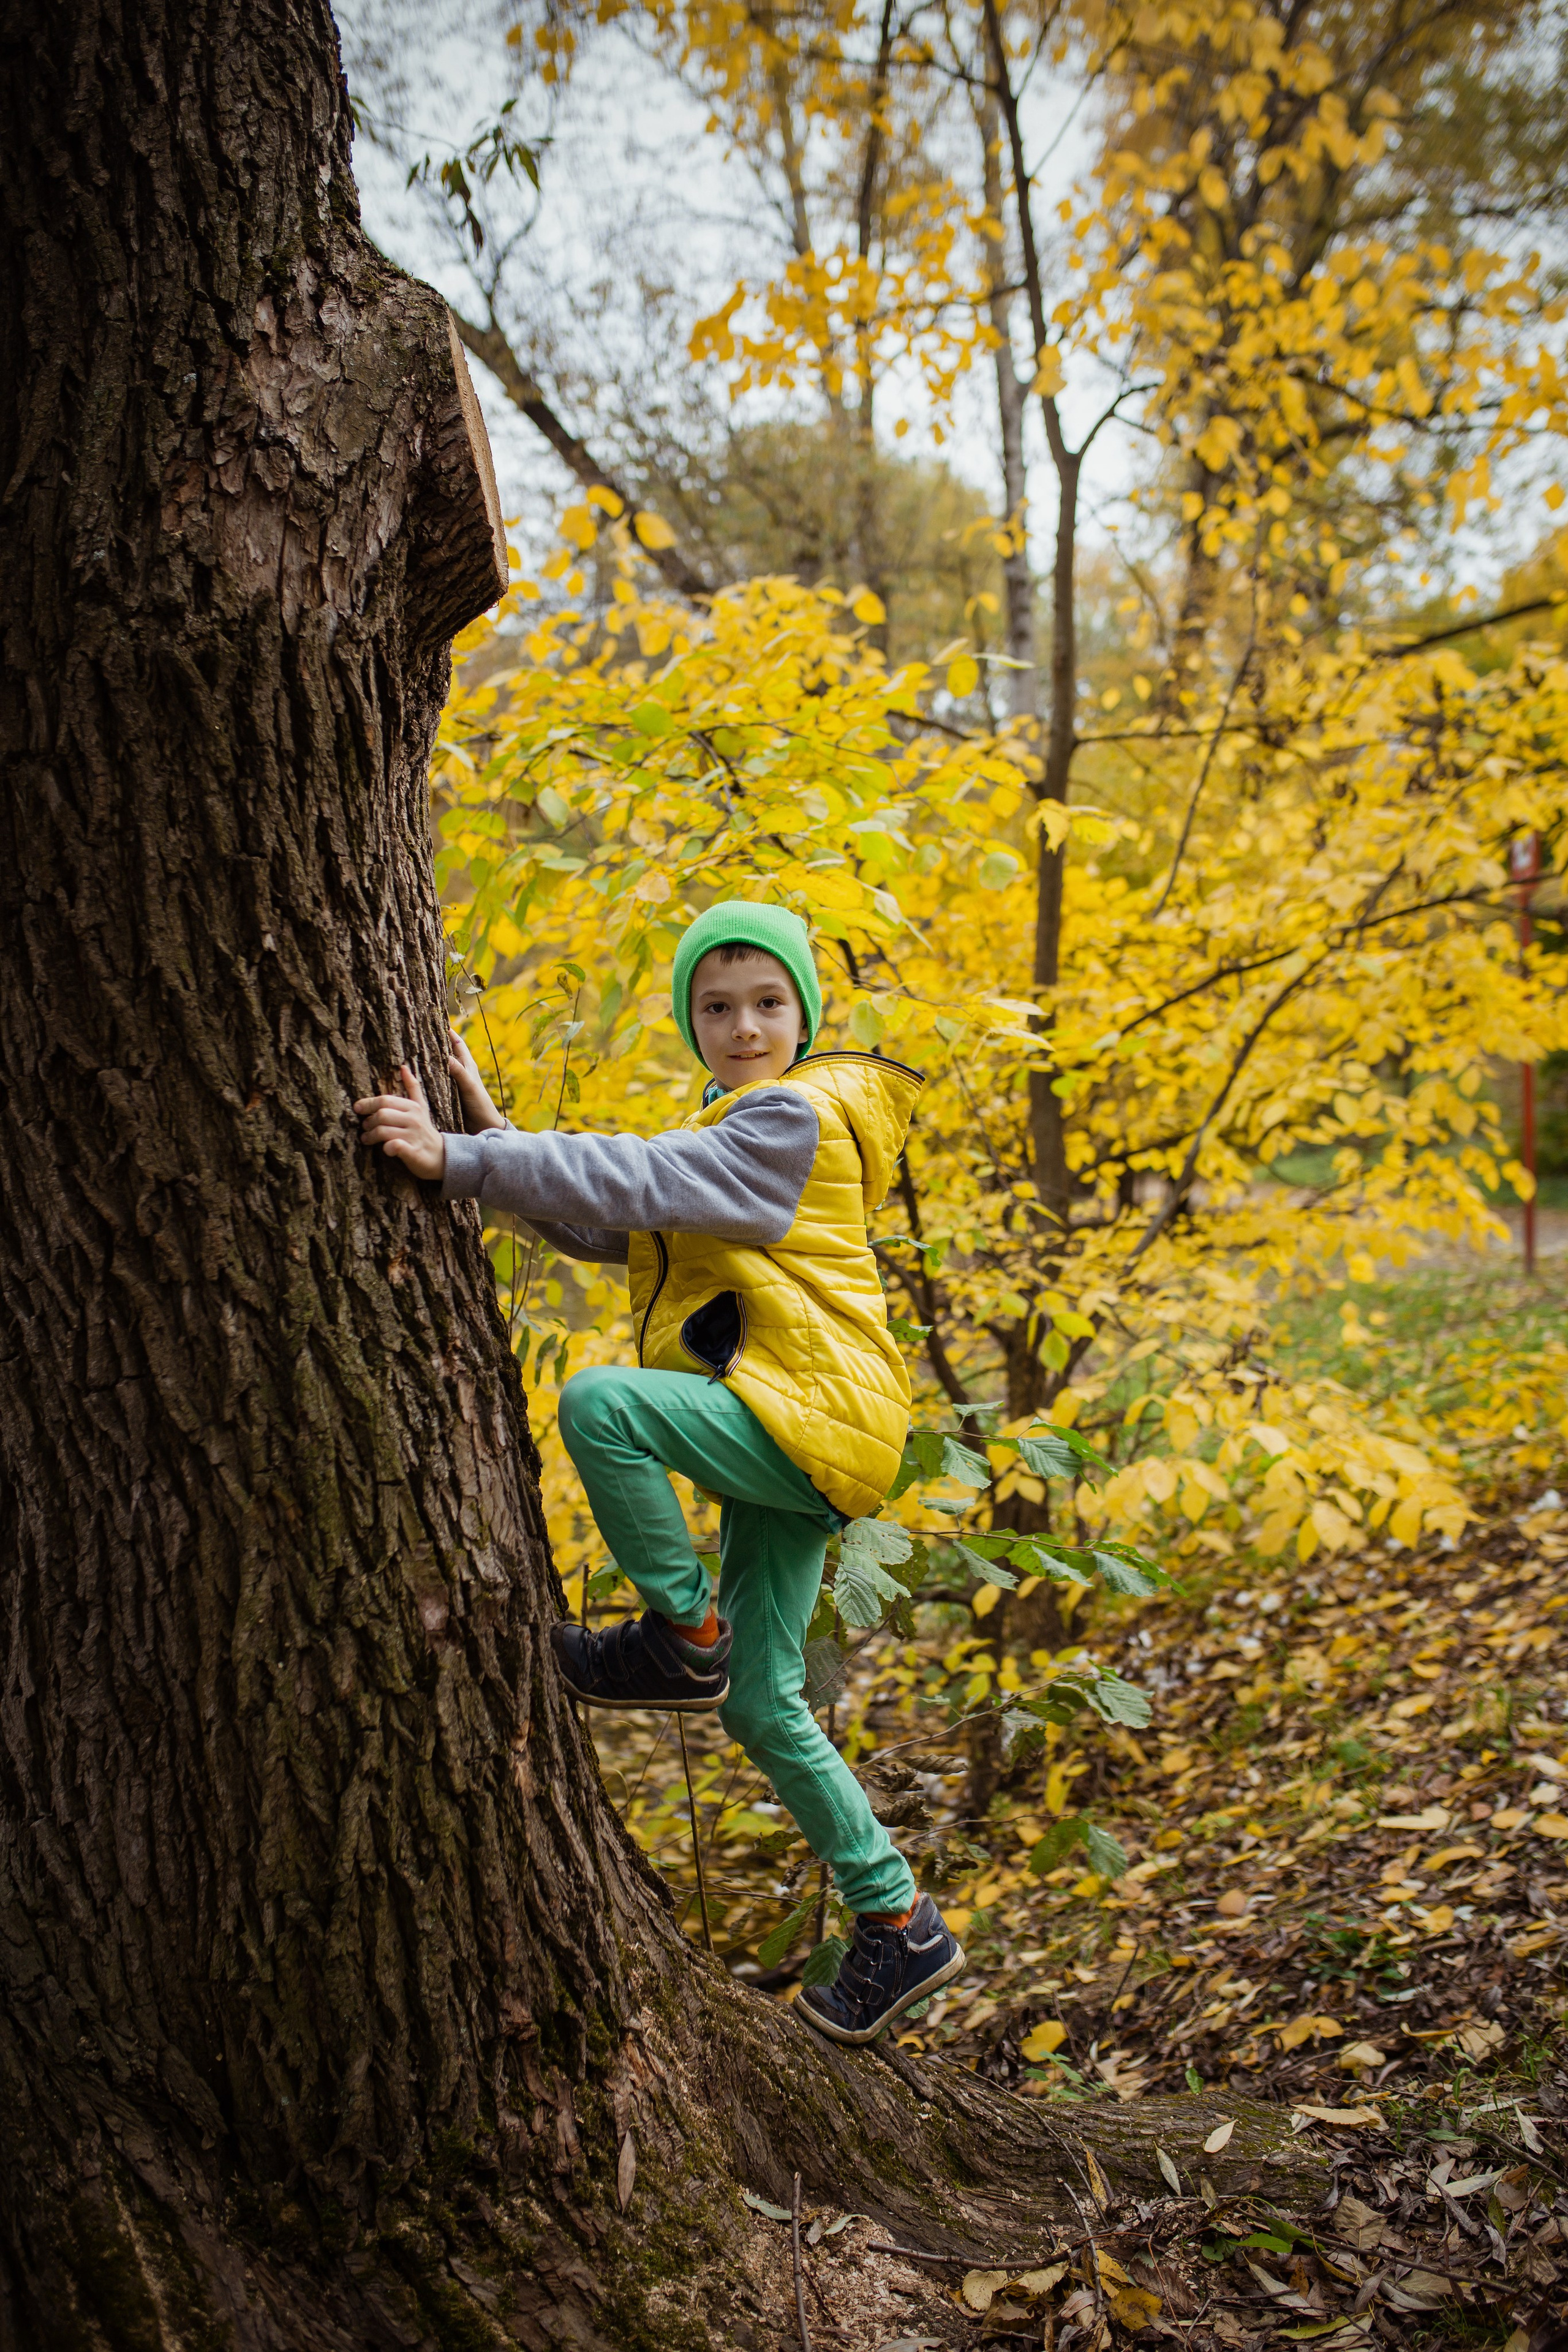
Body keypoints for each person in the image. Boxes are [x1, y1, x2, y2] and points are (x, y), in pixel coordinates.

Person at [354, 900, 965, 2043]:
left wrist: (462, 1159)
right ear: (694, 1023)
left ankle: (681, 1636)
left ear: (806, 1016)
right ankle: (901, 1920)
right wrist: (489, 1138)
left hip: (804, 1422)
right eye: (718, 1007)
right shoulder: (735, 1130)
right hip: (809, 1433)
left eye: (768, 1004)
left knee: (604, 1406)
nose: (744, 1026)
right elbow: (621, 1225)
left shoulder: (793, 1117)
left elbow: (634, 1181)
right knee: (768, 1704)